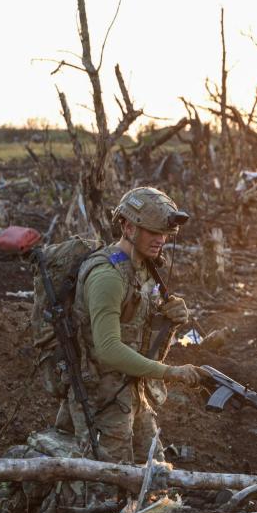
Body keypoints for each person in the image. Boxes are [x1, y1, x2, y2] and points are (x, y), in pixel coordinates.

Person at [54, 186, 208, 464]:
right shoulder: (108, 277)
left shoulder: (143, 270)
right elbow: (109, 349)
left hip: (132, 392)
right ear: (127, 226)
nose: (160, 239)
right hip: (101, 400)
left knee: (154, 475)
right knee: (106, 486)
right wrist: (170, 372)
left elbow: (138, 331)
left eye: (163, 233)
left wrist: (170, 320)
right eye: (152, 231)